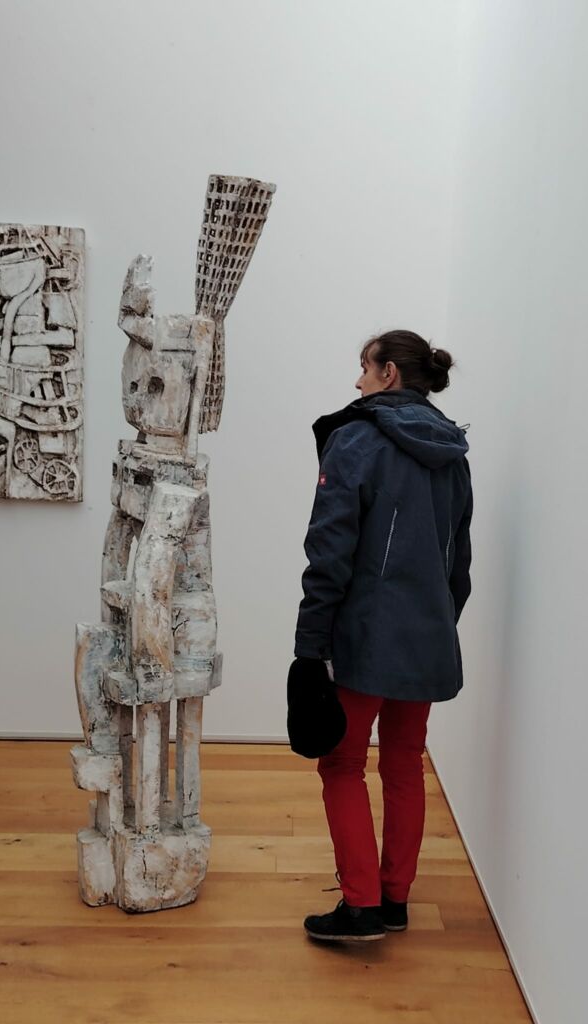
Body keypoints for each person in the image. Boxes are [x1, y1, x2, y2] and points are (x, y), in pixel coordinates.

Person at [293, 329, 473, 943]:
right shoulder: (453, 452)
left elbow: (329, 552)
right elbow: (458, 564)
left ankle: (361, 906)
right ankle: (394, 900)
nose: (358, 381)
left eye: (365, 368)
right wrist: (437, 624)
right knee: (404, 762)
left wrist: (309, 647)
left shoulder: (356, 440)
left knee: (342, 762)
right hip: (427, 636)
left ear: (389, 372)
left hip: (365, 637)